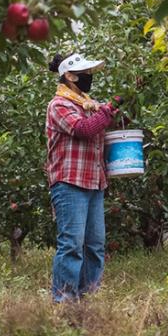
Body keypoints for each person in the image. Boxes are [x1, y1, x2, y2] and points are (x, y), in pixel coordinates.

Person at [45, 52, 118, 302]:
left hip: (95, 181)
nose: (89, 78)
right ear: (69, 75)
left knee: (95, 245)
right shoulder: (59, 105)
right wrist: (109, 109)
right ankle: (65, 301)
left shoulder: (90, 104)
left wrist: (120, 107)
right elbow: (83, 129)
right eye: (85, 74)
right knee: (72, 245)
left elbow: (102, 123)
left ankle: (89, 299)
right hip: (69, 183)